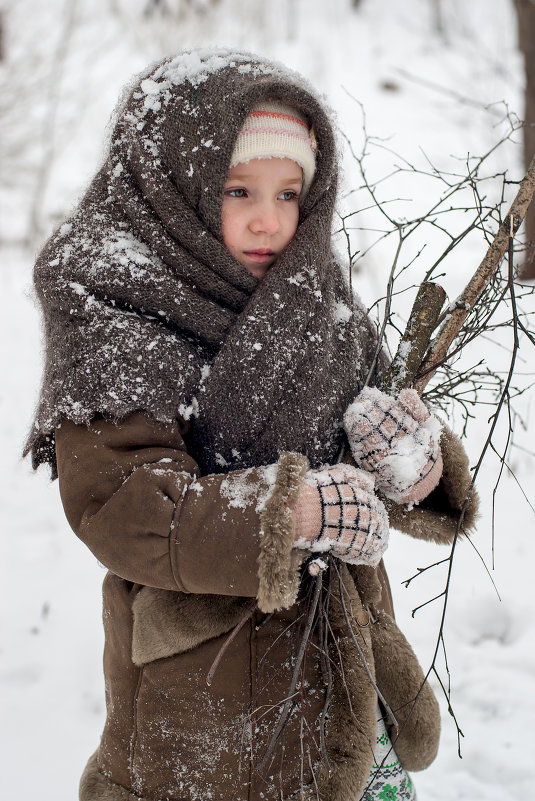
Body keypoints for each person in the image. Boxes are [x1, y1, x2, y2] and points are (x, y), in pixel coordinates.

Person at [24, 49, 478, 801]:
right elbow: (125, 506)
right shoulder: (118, 318)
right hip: (205, 704)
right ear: (175, 191)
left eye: (289, 192)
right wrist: (292, 511)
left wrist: (413, 464)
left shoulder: (313, 302)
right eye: (238, 190)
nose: (270, 219)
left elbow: (379, 467)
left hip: (340, 671)